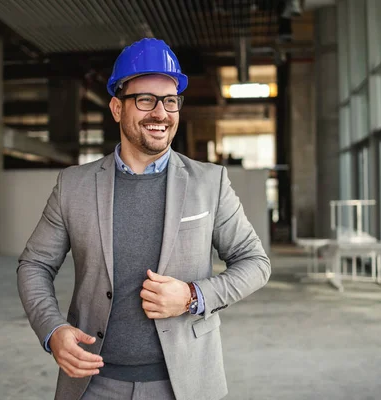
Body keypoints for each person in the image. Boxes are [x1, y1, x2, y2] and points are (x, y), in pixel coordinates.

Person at [17, 38, 271, 400]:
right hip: (94, 384)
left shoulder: (208, 182)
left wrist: (192, 295)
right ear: (117, 108)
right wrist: (52, 329)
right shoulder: (73, 185)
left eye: (170, 101)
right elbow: (34, 264)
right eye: (146, 100)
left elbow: (255, 263)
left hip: (185, 384)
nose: (161, 113)